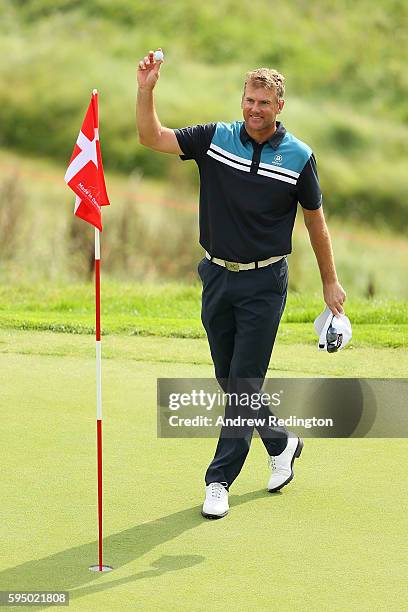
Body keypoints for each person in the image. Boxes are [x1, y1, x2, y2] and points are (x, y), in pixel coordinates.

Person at [136, 49, 346, 519]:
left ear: (280, 107)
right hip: (215, 276)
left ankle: (218, 480)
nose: (254, 109)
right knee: (230, 380)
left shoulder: (299, 156)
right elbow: (152, 137)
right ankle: (281, 442)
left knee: (244, 382)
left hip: (265, 283)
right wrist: (146, 90)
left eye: (264, 103)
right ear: (242, 99)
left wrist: (331, 284)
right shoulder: (216, 139)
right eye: (250, 100)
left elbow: (316, 224)